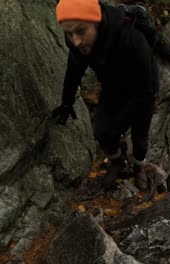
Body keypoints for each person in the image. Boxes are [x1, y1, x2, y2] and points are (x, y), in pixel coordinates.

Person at [52, 0, 159, 191]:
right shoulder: (79, 41)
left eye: (81, 31)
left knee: (140, 135)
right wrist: (66, 103)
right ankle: (117, 161)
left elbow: (144, 93)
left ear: (97, 23)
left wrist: (118, 125)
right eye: (69, 33)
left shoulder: (132, 39)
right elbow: (74, 70)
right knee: (102, 131)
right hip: (113, 87)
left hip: (143, 89)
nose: (75, 40)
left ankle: (138, 166)